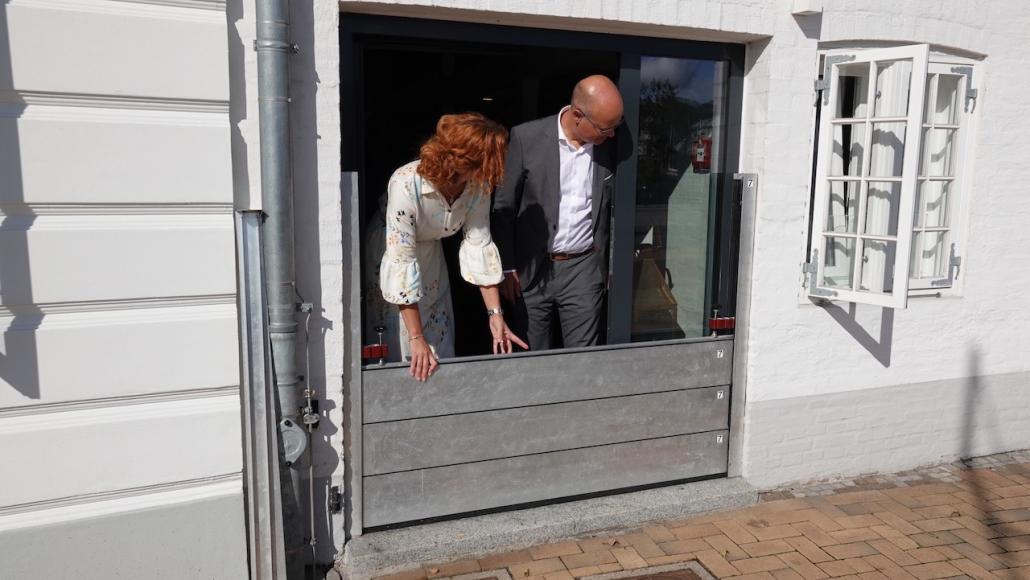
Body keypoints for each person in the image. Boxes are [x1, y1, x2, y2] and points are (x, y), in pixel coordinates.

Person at [371, 112, 528, 381]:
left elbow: (480, 245)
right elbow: (402, 261)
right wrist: (416, 338)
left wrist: (495, 316)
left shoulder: (478, 185)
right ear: (466, 158)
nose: (499, 167)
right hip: (391, 251)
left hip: (430, 254)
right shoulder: (405, 183)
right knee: (408, 347)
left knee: (440, 340)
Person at [491, 75, 624, 350]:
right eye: (604, 128)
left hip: (583, 268)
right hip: (531, 270)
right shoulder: (526, 138)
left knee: (581, 358)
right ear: (578, 116)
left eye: (615, 126)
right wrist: (506, 267)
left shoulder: (609, 145)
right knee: (533, 357)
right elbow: (503, 206)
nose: (611, 134)